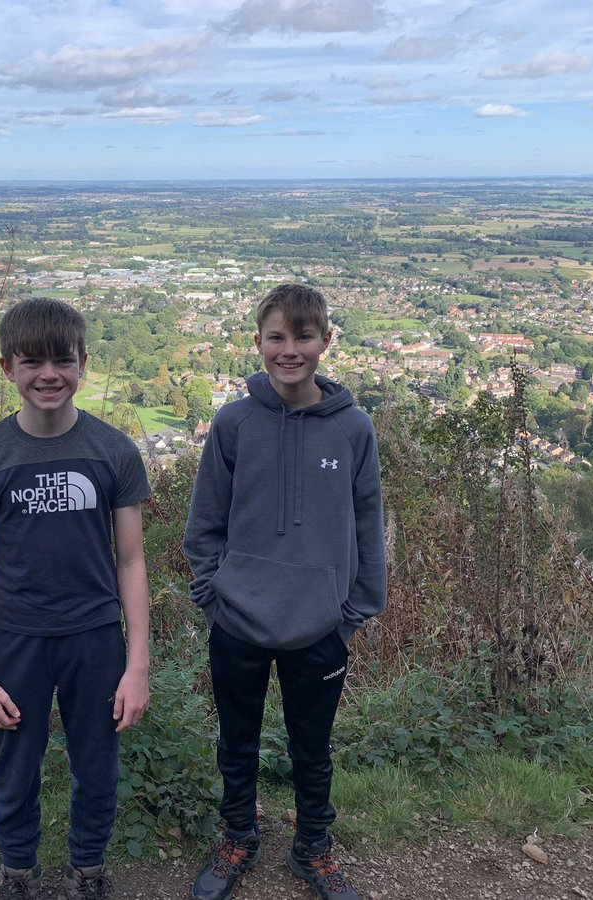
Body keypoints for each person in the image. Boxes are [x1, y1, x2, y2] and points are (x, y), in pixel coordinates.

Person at [182, 283, 387, 900]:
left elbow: (367, 524)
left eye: (303, 336)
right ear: (259, 343)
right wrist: (213, 595)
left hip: (320, 624)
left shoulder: (353, 429)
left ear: (326, 341)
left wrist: (353, 612)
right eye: (277, 337)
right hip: (238, 618)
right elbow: (204, 522)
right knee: (236, 740)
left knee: (312, 747)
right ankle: (239, 836)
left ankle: (312, 849)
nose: (290, 349)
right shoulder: (234, 421)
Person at [0, 297, 152, 900]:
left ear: (82, 364)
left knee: (98, 767)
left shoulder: (113, 451)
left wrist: (137, 663)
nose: (48, 374)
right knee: (15, 769)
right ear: (8, 367)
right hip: (15, 638)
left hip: (94, 637)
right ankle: (18, 871)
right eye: (31, 361)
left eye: (62, 360)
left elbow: (132, 561)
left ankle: (87, 869)